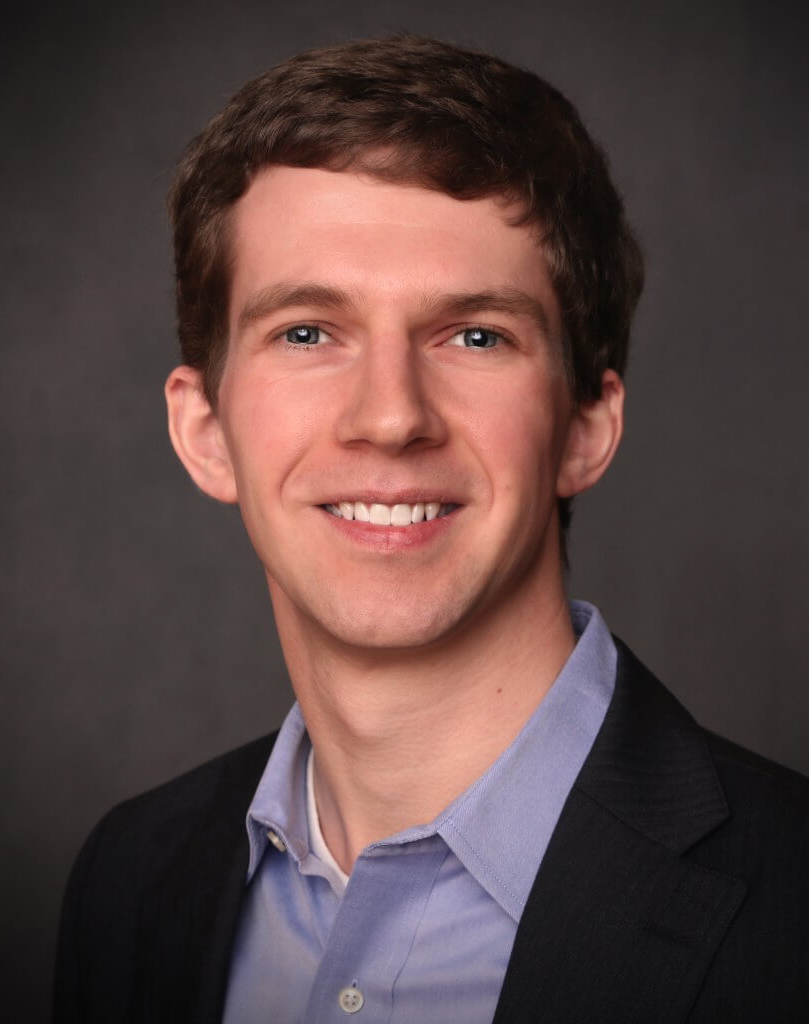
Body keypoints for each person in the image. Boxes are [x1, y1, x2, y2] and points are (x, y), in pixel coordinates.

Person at [53, 35, 809, 1024]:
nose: (390, 416)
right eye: (306, 332)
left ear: (585, 427)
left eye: (475, 335)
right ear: (205, 431)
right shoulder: (128, 883)